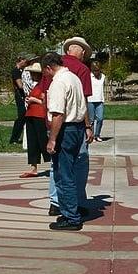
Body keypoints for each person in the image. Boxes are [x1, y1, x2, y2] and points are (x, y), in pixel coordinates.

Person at [48, 37, 93, 217]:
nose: (85, 55)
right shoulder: (81, 70)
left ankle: (55, 202)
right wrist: (88, 125)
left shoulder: (53, 69)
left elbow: (46, 96)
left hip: (54, 123)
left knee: (56, 167)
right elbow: (85, 100)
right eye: (84, 52)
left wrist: (50, 129)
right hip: (73, 125)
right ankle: (76, 203)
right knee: (78, 164)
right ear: (78, 49)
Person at [42, 52, 87, 231]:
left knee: (63, 174)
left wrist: (52, 139)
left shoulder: (58, 83)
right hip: (78, 128)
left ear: (48, 67)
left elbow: (58, 114)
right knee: (71, 172)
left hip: (65, 130)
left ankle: (71, 217)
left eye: (45, 72)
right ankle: (71, 209)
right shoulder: (74, 78)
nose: (45, 76)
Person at [19, 62, 50, 178]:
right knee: (32, 142)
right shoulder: (35, 85)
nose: (31, 75)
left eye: (33, 73)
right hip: (30, 114)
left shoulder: (44, 85)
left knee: (43, 140)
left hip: (40, 115)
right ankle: (33, 167)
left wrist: (33, 99)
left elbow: (46, 101)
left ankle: (53, 163)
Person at [9, 53, 32, 144]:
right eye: (25, 61)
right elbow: (20, 85)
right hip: (20, 95)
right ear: (21, 60)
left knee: (24, 116)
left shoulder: (23, 71)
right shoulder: (16, 71)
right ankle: (14, 137)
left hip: (24, 95)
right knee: (21, 115)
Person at [87, 61, 105, 142]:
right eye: (95, 70)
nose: (97, 72)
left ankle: (97, 135)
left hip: (100, 100)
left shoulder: (103, 76)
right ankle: (92, 135)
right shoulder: (88, 77)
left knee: (100, 118)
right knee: (91, 120)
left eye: (98, 70)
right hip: (90, 100)